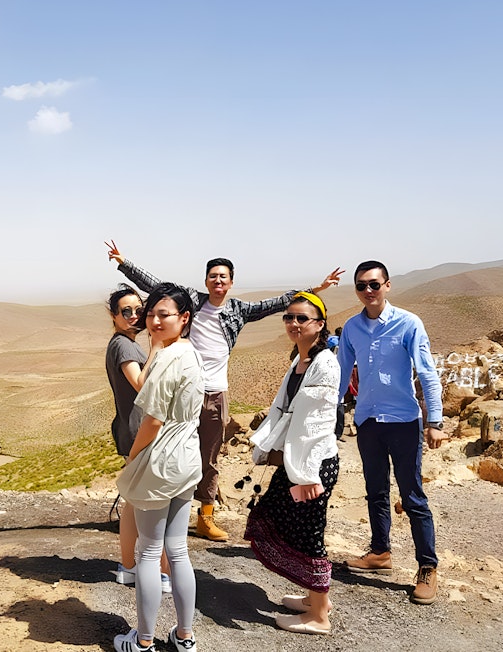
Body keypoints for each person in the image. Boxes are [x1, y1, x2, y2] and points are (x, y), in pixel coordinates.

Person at [107, 239, 342, 541]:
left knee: (210, 456)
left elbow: (277, 303)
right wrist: (124, 263)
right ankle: (162, 512)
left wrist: (315, 290)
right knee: (173, 450)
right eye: (213, 276)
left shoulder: (238, 310)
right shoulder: (192, 301)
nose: (218, 281)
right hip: (183, 392)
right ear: (206, 280)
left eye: (223, 276)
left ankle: (205, 516)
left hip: (216, 394)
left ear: (231, 282)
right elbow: (157, 286)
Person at [336, 260, 447, 605]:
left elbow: (427, 372)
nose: (367, 291)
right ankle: (380, 552)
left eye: (373, 284)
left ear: (387, 285)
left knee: (412, 495)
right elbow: (341, 374)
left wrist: (436, 422)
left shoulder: (408, 323)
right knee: (375, 491)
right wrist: (332, 414)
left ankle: (427, 567)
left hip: (403, 421)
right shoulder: (352, 327)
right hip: (368, 420)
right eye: (361, 286)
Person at [114, 283, 203, 652]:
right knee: (178, 550)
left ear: (183, 318)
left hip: (162, 459)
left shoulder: (166, 358)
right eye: (151, 314)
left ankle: (144, 641)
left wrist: (134, 458)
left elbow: (151, 421)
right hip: (187, 457)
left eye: (163, 314)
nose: (153, 321)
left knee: (150, 552)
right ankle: (185, 637)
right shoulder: (190, 352)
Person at [245, 292, 340, 636]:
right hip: (299, 464)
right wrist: (264, 445)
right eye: (289, 317)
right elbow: (283, 412)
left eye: (302, 318)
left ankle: (318, 617)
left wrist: (304, 475)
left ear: (319, 325)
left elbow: (311, 427)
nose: (294, 324)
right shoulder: (300, 361)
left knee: (309, 535)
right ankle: (317, 598)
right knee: (287, 521)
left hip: (311, 467)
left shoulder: (325, 364)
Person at [103, 284, 172, 594]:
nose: (134, 316)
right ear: (114, 316)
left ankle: (130, 567)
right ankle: (158, 571)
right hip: (139, 432)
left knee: (134, 501)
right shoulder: (123, 346)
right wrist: (157, 342)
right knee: (148, 503)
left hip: (133, 429)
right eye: (126, 312)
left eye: (138, 310)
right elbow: (142, 383)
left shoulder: (126, 342)